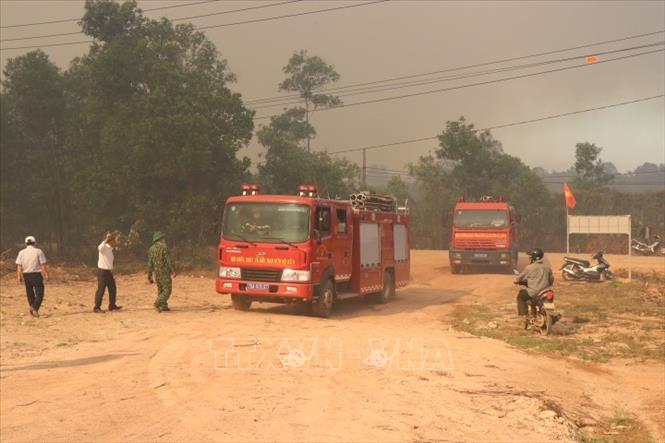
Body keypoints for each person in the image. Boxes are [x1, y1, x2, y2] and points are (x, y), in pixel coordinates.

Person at [514, 248, 554, 321]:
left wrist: (517, 281)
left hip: (534, 292)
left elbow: (518, 278)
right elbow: (551, 280)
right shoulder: (547, 268)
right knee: (550, 301)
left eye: (530, 257)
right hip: (547, 291)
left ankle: (525, 316)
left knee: (520, 296)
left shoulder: (529, 268)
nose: (530, 258)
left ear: (533, 258)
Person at [15, 236, 49, 318]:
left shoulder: (21, 252)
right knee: (40, 293)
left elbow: (19, 266)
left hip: (26, 275)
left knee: (29, 293)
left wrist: (19, 276)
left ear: (25, 243)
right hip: (36, 274)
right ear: (35, 243)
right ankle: (34, 307)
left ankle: (33, 309)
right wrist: (46, 274)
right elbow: (42, 265)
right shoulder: (38, 251)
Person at [147, 231, 176, 312]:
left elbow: (150, 263)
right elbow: (168, 260)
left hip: (156, 272)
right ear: (161, 238)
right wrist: (173, 270)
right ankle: (158, 303)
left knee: (160, 289)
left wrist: (149, 275)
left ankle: (163, 306)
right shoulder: (164, 247)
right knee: (167, 289)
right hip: (164, 271)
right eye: (163, 238)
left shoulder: (151, 249)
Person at [93, 232, 122, 313]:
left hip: (108, 272)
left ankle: (112, 306)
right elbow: (99, 247)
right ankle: (96, 307)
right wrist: (106, 239)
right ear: (110, 241)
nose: (115, 242)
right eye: (114, 240)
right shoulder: (104, 247)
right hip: (102, 272)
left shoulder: (110, 249)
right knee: (101, 290)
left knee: (113, 288)